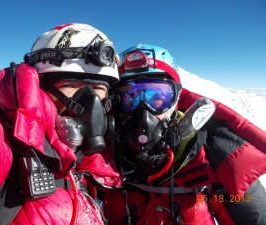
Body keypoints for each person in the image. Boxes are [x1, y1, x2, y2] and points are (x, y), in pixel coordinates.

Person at [0, 23, 122, 225]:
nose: (90, 101)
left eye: (98, 88)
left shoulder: (91, 159)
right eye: (69, 85)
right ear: (38, 86)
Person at [103, 44, 266, 225]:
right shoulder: (104, 153)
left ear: (176, 99)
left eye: (158, 97)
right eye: (130, 98)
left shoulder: (215, 157)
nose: (144, 112)